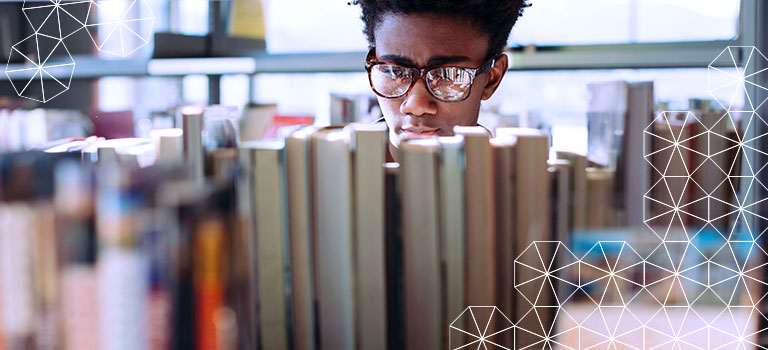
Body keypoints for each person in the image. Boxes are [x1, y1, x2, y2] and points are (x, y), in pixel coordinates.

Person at [353, 0, 530, 161]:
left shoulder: (521, 190)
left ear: (492, 78)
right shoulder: (330, 182)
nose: (416, 105)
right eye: (395, 72)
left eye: (447, 75)